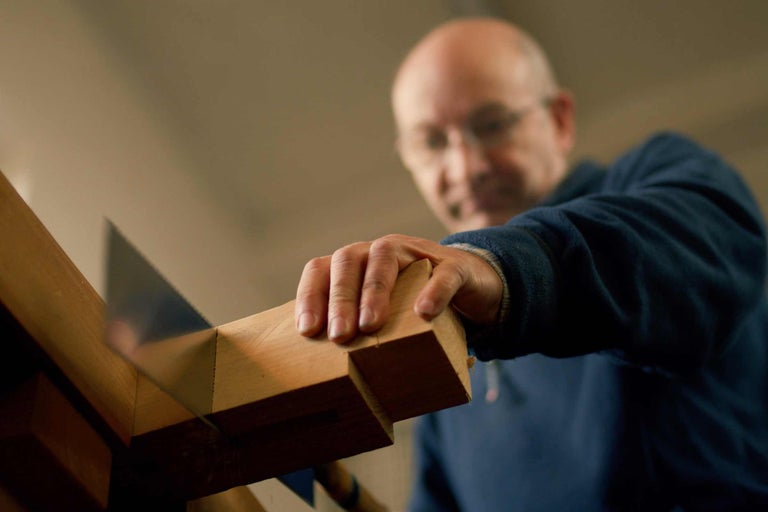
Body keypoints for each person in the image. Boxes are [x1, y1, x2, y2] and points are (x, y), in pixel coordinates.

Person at [296, 17, 768, 511]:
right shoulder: (443, 375)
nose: (465, 169)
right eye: (432, 142)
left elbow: (702, 250)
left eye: (492, 124)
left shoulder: (657, 177)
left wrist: (497, 267)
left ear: (559, 119)